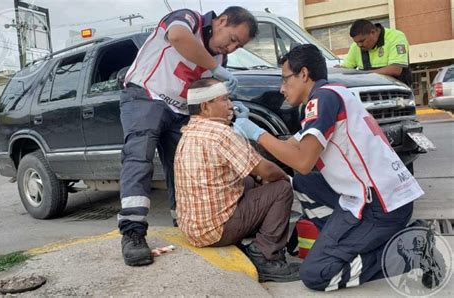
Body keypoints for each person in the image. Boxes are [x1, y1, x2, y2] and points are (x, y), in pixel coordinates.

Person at [232, 44, 425, 290]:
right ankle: (343, 242)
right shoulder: (334, 94)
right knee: (302, 184)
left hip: (380, 207)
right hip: (382, 196)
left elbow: (302, 162)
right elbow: (290, 146)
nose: (281, 89)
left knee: (317, 274)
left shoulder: (321, 100)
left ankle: (410, 251)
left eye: (285, 79)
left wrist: (257, 133)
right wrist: (249, 127)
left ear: (303, 74)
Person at [118, 7, 258, 267]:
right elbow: (178, 37)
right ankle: (133, 232)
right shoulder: (189, 20)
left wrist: (230, 108)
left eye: (239, 45)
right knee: (139, 158)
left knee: (186, 166)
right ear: (222, 21)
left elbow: (207, 99)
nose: (232, 47)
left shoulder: (218, 60)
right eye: (233, 38)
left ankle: (183, 223)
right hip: (146, 95)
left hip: (179, 111)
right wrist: (216, 68)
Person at [174, 78, 300, 283]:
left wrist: (259, 178)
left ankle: (259, 240)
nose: (231, 105)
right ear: (206, 107)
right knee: (281, 189)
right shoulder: (220, 133)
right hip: (216, 232)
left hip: (194, 230)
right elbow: (267, 170)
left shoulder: (189, 131)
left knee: (250, 181)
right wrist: (285, 177)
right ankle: (265, 256)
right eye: (224, 100)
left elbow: (250, 172)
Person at [340, 19, 412, 86]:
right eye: (356, 42)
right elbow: (345, 68)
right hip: (371, 91)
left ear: (373, 32)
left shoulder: (396, 37)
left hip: (397, 92)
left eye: (362, 41)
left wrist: (363, 74)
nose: (359, 45)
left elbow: (395, 69)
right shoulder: (356, 46)